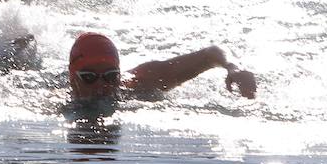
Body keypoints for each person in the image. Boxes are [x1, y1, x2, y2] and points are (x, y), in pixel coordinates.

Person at [67, 31, 258, 107]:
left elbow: (213, 52)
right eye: (89, 77)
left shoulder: (141, 81)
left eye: (110, 76)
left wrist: (234, 69)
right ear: (72, 78)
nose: (101, 86)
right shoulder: (53, 102)